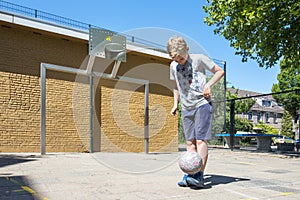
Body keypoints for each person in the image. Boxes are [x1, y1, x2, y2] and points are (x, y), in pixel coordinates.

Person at [167, 36, 224, 188]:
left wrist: (209, 85)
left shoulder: (199, 59)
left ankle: (199, 175)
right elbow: (176, 86)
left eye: (181, 58)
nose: (179, 61)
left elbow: (219, 71)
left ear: (187, 50)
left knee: (200, 140)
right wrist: (175, 104)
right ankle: (190, 173)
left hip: (201, 104)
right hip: (186, 107)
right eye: (176, 59)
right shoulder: (173, 66)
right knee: (189, 142)